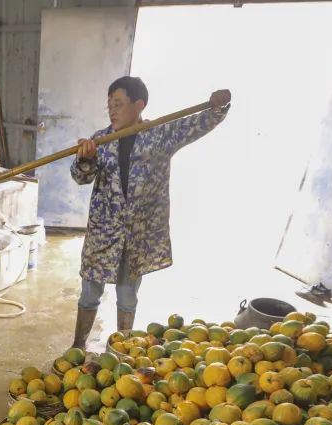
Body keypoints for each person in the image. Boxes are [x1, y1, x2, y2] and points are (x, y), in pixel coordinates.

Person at [69, 76, 231, 349]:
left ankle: (120, 349)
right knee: (89, 293)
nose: (112, 110)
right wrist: (84, 159)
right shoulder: (101, 139)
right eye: (109, 104)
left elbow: (198, 123)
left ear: (139, 105)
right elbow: (81, 177)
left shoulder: (160, 135)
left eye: (118, 104)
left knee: (127, 296)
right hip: (103, 232)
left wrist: (218, 107)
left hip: (136, 234)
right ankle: (77, 345)